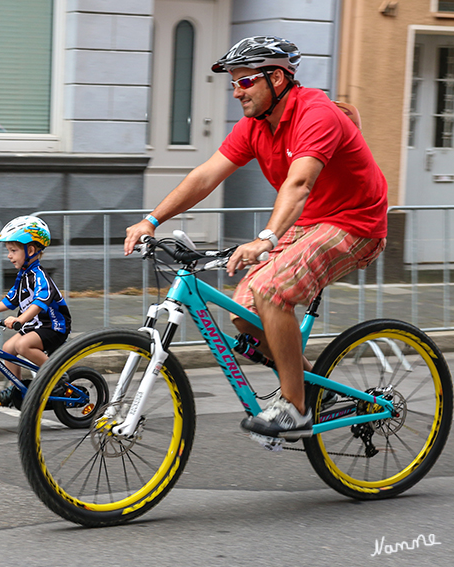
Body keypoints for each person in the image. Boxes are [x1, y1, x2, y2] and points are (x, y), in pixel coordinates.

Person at [123, 36, 388, 438]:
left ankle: (295, 410)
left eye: (245, 81)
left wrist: (266, 238)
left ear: (277, 78)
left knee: (271, 292)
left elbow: (298, 184)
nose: (236, 92)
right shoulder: (255, 127)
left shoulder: (315, 114)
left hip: (356, 222)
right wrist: (151, 220)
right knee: (243, 315)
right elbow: (205, 176)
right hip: (310, 221)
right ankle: (314, 387)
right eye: (234, 83)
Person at [0, 216, 72, 407]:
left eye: (13, 250)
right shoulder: (24, 276)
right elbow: (10, 301)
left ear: (31, 250)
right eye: (9, 251)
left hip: (53, 326)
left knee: (23, 346)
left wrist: (20, 320)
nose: (9, 255)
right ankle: (16, 388)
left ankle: (57, 375)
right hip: (35, 326)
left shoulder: (40, 277)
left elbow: (39, 303)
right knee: (8, 349)